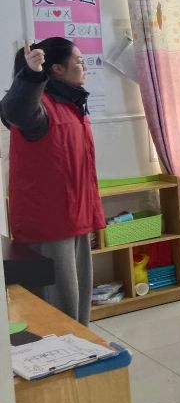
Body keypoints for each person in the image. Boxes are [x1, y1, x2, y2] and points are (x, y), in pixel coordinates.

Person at [1, 39, 104, 324]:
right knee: (58, 313)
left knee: (79, 307)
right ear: (57, 69)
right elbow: (14, 110)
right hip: (49, 225)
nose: (85, 67)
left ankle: (82, 347)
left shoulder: (72, 104)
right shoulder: (41, 107)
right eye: (79, 62)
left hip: (76, 217)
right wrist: (32, 76)